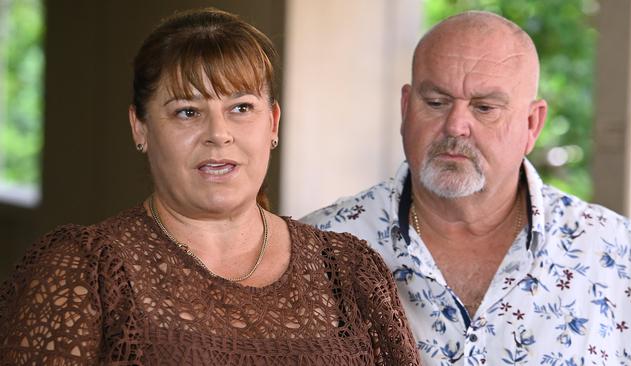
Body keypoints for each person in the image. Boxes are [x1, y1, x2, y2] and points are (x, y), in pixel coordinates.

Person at [0, 8, 420, 365]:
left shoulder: (349, 273)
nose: (218, 134)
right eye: (187, 112)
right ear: (140, 128)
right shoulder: (83, 272)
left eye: (241, 108)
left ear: (272, 123)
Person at [303, 10, 631, 365]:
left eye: (484, 108)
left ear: (533, 124)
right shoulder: (312, 253)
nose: (456, 126)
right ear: (406, 108)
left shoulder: (630, 260)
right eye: (436, 102)